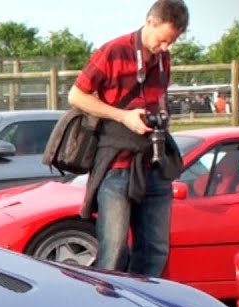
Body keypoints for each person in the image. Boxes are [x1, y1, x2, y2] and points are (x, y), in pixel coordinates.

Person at [69, 0, 187, 278]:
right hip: (117, 164)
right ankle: (106, 302)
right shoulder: (114, 51)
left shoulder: (163, 59)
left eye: (171, 42)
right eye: (162, 40)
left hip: (154, 163)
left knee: (156, 250)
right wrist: (123, 117)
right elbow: (76, 96)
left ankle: (143, 300)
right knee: (113, 252)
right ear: (150, 22)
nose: (165, 48)